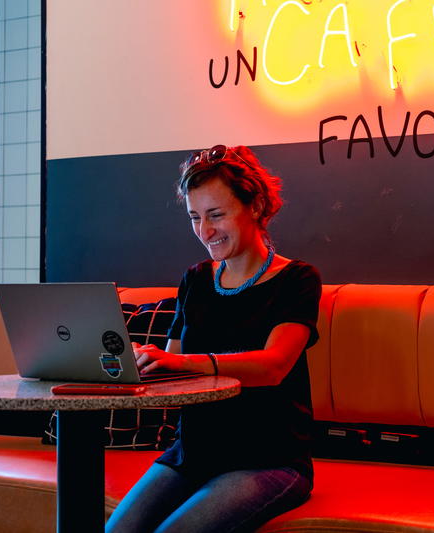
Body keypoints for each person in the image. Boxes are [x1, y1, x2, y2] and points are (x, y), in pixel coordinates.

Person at [106, 145, 321, 533]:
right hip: (191, 455)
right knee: (116, 531)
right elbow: (171, 372)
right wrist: (142, 360)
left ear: (254, 206)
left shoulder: (298, 280)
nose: (205, 231)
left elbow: (274, 366)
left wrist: (187, 362)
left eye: (216, 215)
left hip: (269, 459)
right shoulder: (196, 280)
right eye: (195, 217)